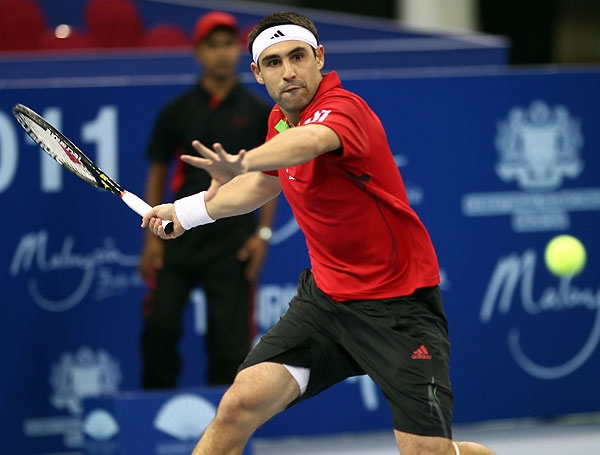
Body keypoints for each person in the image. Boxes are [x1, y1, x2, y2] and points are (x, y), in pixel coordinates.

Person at [142, 11, 495, 455]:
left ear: (320, 58)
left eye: (298, 57)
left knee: (426, 453)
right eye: (273, 62)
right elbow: (263, 184)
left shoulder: (344, 109)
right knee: (239, 403)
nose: (288, 71)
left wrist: (245, 159)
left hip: (399, 307)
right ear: (257, 73)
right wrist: (186, 212)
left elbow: (310, 142)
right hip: (326, 305)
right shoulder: (279, 118)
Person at [138, 11, 276, 389]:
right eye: (212, 45)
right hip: (177, 238)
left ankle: (224, 419)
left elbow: (272, 177)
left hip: (233, 244)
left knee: (230, 347)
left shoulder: (258, 112)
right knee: (159, 329)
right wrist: (151, 238)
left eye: (228, 44)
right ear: (198, 52)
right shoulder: (177, 111)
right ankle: (153, 412)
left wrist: (262, 235)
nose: (222, 53)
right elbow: (158, 172)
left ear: (238, 50)